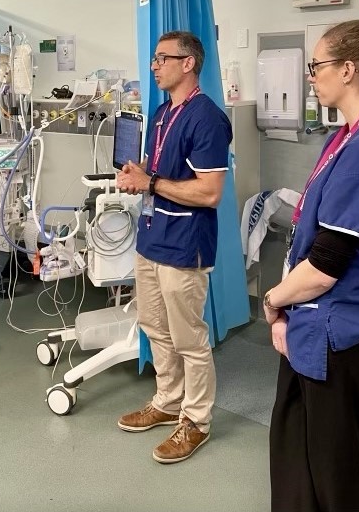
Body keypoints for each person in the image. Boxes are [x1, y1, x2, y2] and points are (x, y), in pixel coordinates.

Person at [264, 3, 359, 512]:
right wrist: (288, 305)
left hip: (342, 330)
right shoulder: (344, 137)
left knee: (335, 469)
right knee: (296, 450)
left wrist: (273, 299)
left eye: (317, 66)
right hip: (315, 323)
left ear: (347, 70)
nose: (312, 78)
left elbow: (328, 263)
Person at [116, 30, 232, 464]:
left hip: (185, 245)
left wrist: (150, 182)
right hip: (151, 237)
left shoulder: (208, 119)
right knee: (154, 327)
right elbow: (163, 174)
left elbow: (209, 193)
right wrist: (140, 173)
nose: (154, 65)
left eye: (162, 58)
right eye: (153, 58)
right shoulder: (163, 114)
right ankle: (167, 401)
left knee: (189, 338)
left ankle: (196, 421)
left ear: (188, 63)